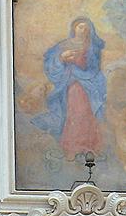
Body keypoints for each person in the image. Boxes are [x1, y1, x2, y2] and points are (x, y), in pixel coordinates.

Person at [31, 16, 106, 160]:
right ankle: (72, 147)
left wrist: (83, 68)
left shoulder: (92, 46)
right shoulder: (64, 44)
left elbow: (94, 67)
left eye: (86, 28)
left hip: (88, 83)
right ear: (74, 28)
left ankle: (88, 146)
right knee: (75, 113)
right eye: (80, 27)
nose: (83, 31)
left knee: (87, 113)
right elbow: (50, 61)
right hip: (72, 83)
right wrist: (62, 57)